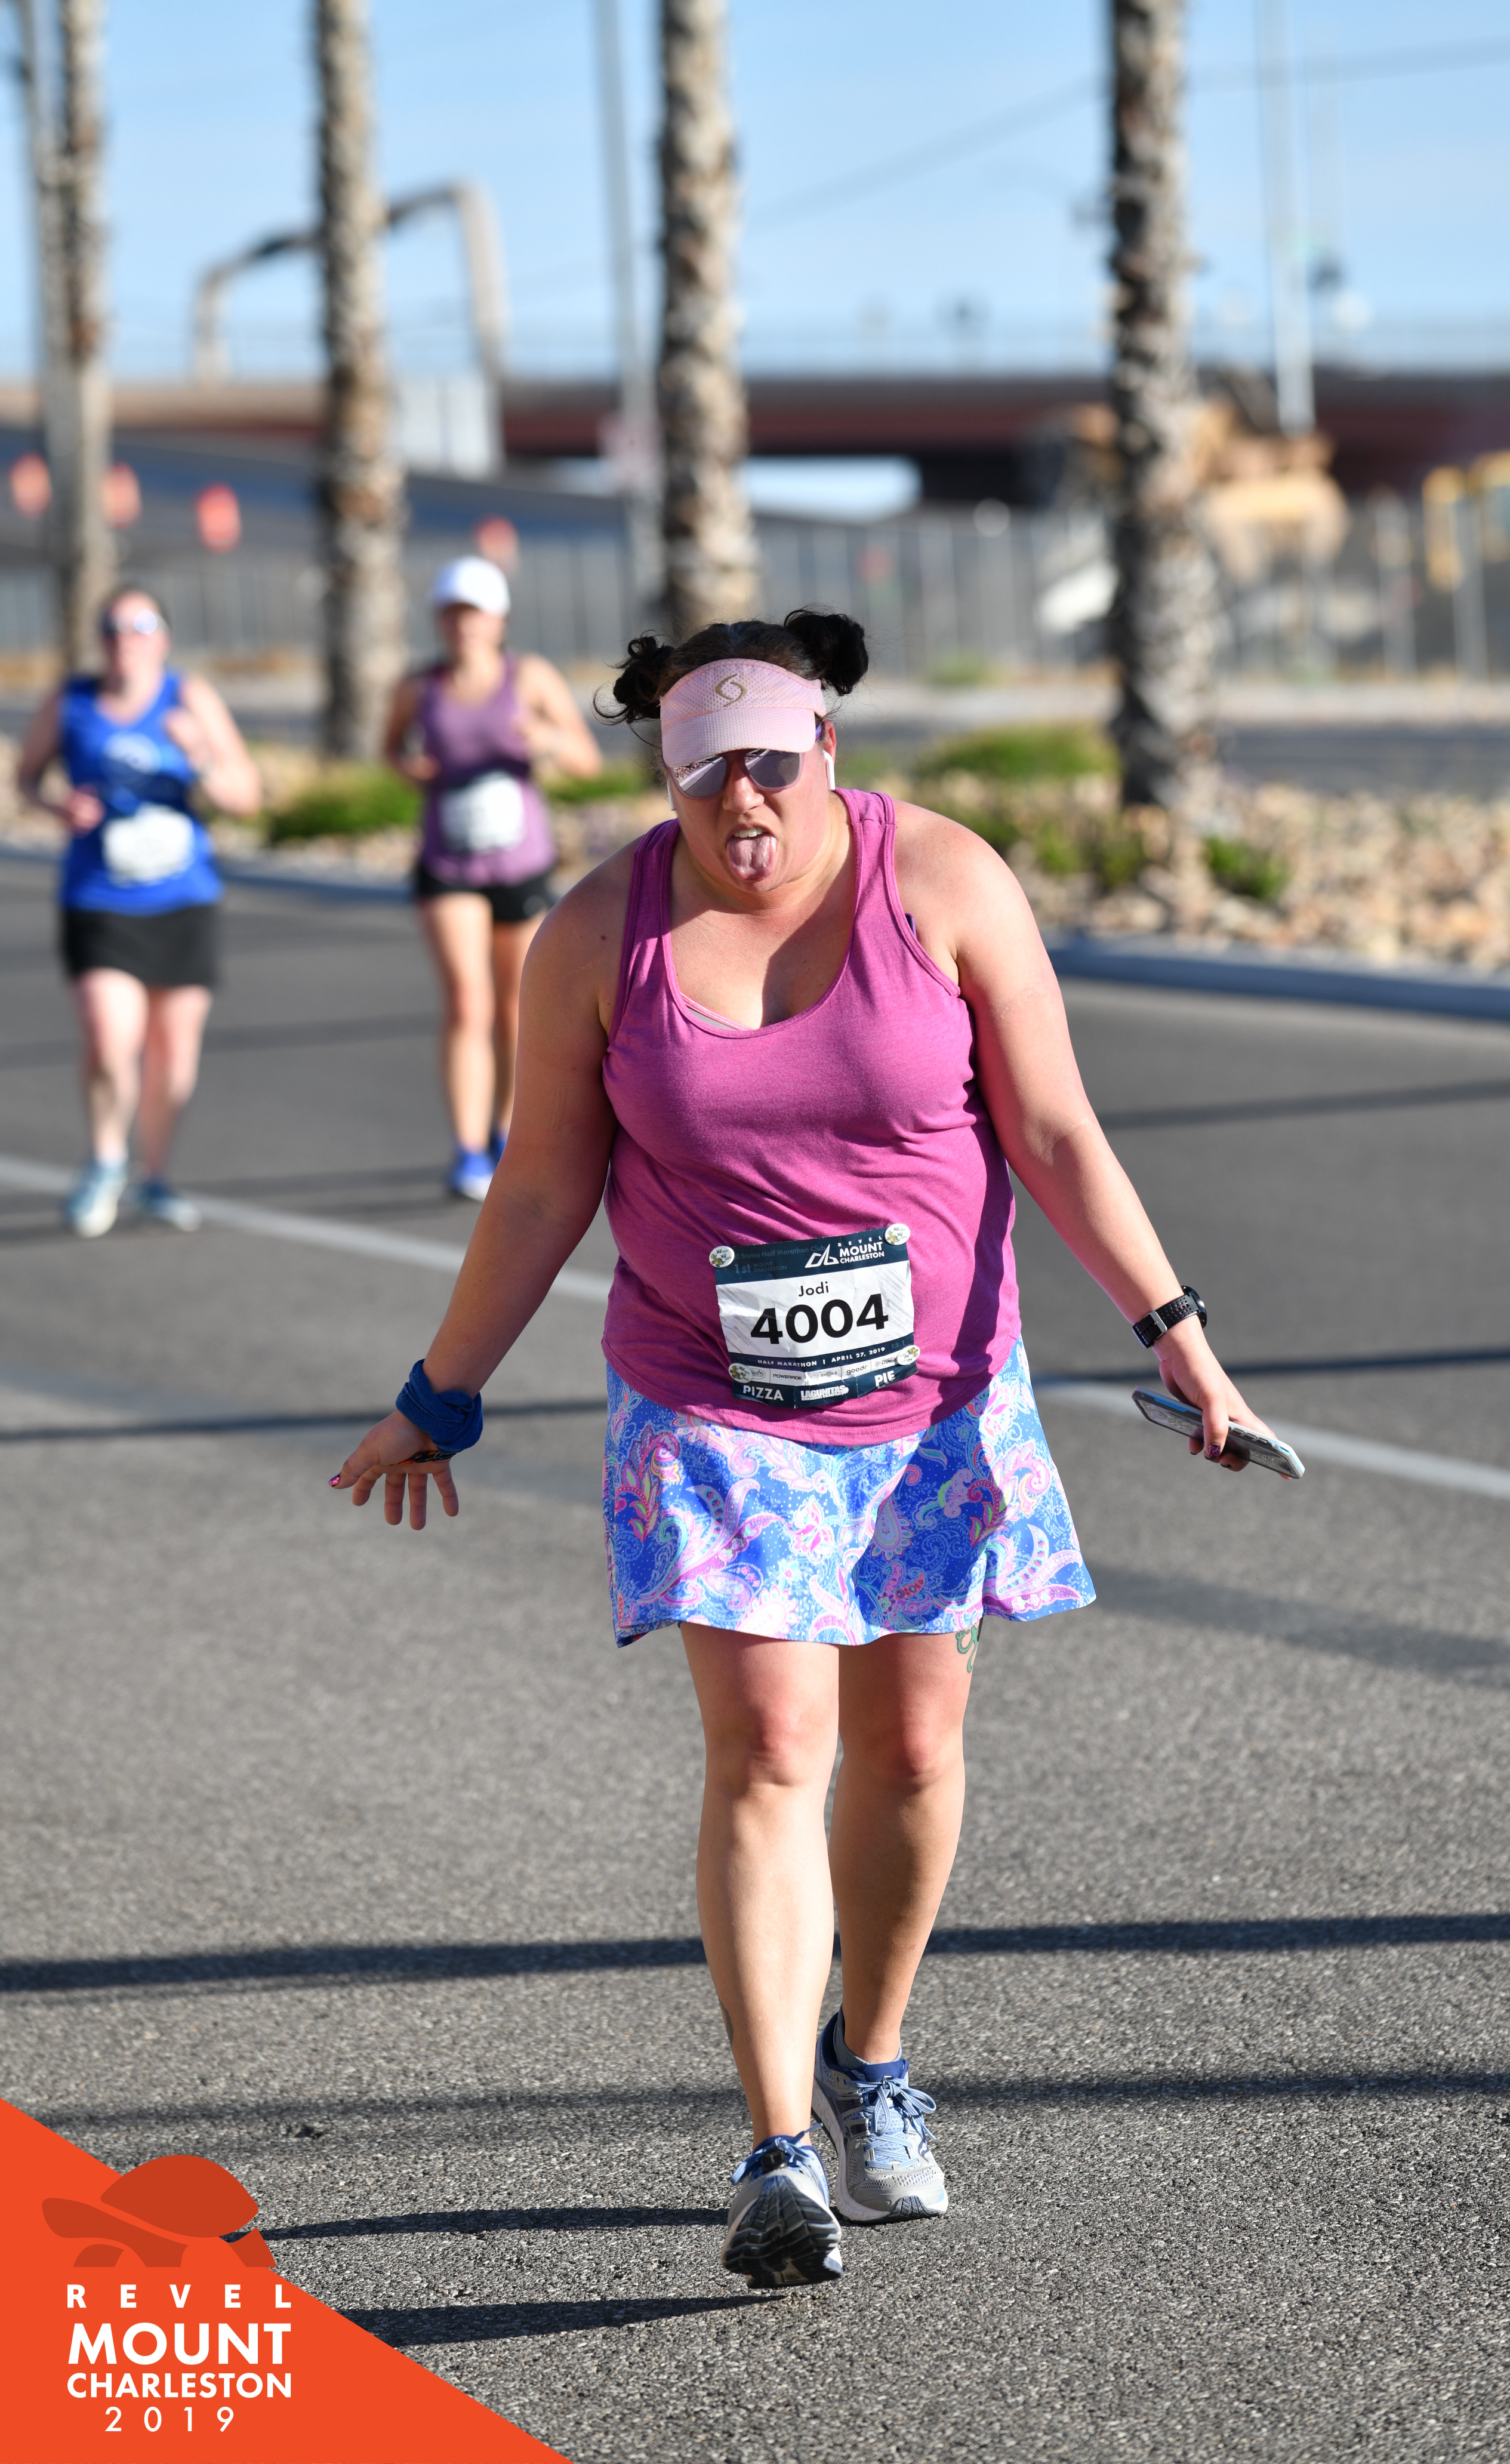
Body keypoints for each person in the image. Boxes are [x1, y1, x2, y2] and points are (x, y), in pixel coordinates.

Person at [333, 607, 1277, 2291]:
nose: (740, 799)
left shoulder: (948, 884)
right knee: (771, 1743)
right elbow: (542, 1185)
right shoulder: (596, 935)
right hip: (710, 1399)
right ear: (667, 773)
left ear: (826, 745)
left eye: (769, 760)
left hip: (933, 1401)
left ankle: (872, 2058)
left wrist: (1179, 1336)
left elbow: (1054, 1127)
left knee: (909, 1749)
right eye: (702, 771)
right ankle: (777, 2150)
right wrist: (443, 1389)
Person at [16, 583, 263, 1237]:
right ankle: (106, 1158)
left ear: (164, 638)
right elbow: (25, 777)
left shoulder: (189, 698)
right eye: (113, 628)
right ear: (99, 640)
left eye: (140, 626)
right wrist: (56, 807)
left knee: (173, 1055)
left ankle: (154, 1176)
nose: (125, 640)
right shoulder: (71, 701)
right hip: (99, 896)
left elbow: (246, 797)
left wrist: (200, 756)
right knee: (109, 1036)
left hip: (183, 898)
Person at [383, 556, 602, 1201]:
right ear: (439, 620)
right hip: (448, 861)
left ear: (499, 619)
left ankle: (505, 1132)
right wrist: (409, 767)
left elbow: (587, 760)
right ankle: (465, 1148)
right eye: (453, 613)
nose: (465, 625)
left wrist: (547, 740)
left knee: (515, 1006)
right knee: (467, 1000)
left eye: (475, 612)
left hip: (520, 863)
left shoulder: (529, 677)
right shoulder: (418, 687)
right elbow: (390, 747)